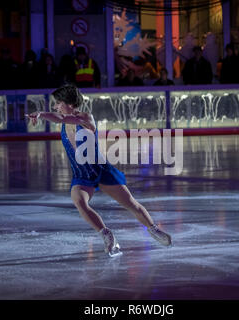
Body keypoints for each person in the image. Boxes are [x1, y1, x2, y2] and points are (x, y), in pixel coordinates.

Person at [26, 84, 172, 257]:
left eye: (59, 103)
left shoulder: (87, 118)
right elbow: (61, 118)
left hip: (100, 170)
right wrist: (46, 115)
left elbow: (62, 118)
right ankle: (107, 235)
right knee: (80, 202)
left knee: (130, 203)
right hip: (81, 175)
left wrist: (41, 114)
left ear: (69, 103)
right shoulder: (64, 123)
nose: (56, 106)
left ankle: (153, 229)